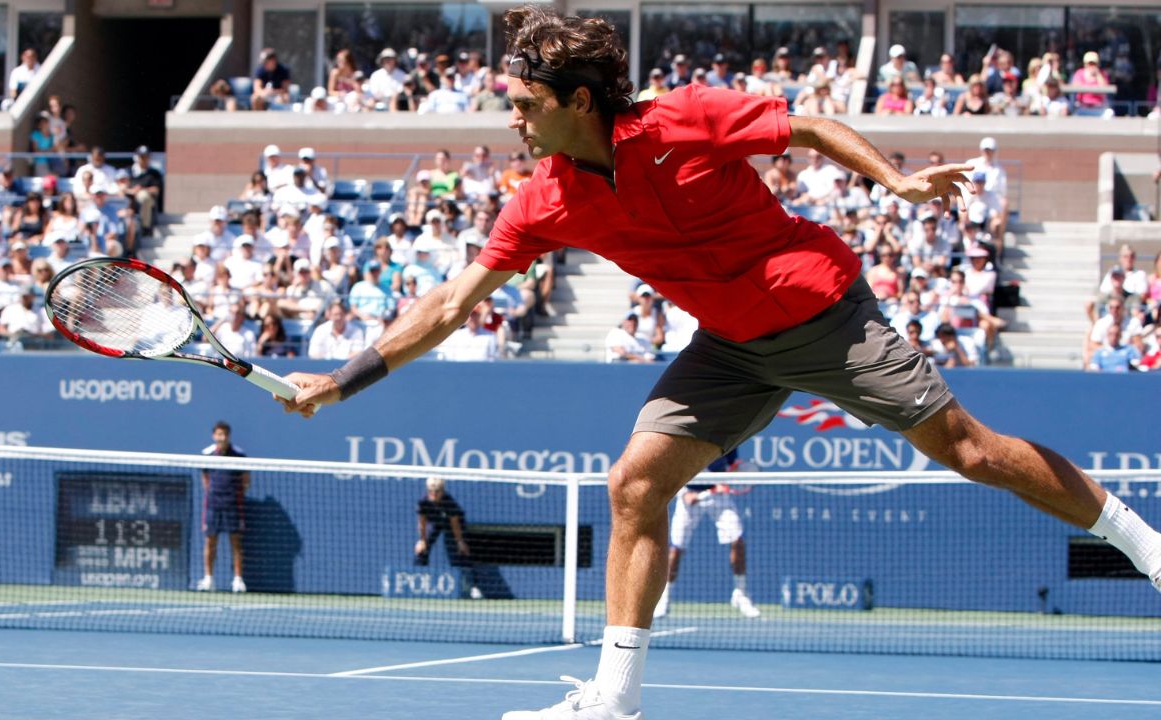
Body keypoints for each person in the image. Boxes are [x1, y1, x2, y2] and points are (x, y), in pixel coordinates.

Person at [274, 8, 1161, 719]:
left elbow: (807, 127)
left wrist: (892, 184)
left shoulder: (683, 117)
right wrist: (343, 379)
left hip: (822, 312)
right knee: (633, 485)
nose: (513, 117)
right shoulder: (543, 200)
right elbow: (448, 304)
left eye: (526, 101)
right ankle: (613, 700)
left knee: (969, 450)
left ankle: (1145, 545)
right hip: (729, 347)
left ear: (579, 100)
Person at [652, 472, 760, 620]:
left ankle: (740, 594)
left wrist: (726, 480)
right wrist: (682, 492)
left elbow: (732, 466)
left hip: (718, 495)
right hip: (688, 491)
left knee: (738, 539)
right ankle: (665, 598)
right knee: (676, 549)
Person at [198, 420, 250, 593]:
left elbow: (246, 481)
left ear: (228, 436)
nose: (222, 437)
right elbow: (205, 480)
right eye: (219, 434)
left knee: (236, 542)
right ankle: (208, 579)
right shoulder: (206, 455)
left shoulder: (239, 455)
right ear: (214, 436)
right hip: (213, 504)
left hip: (232, 504)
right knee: (210, 541)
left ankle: (238, 580)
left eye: (225, 434)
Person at [415, 476, 482, 600]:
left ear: (443, 491)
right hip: (435, 523)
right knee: (422, 550)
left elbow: (455, 525)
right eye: (431, 491)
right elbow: (422, 523)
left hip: (454, 526)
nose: (434, 494)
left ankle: (472, 586)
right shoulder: (423, 502)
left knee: (460, 552)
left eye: (437, 491)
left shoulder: (449, 503)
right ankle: (417, 582)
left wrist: (460, 542)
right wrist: (422, 540)